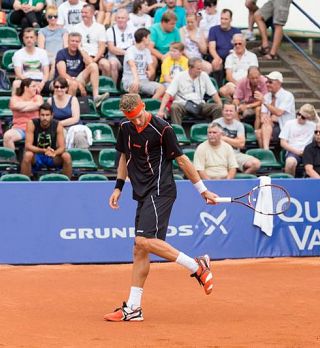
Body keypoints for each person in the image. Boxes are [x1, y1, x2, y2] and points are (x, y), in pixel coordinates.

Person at [103, 93, 217, 322]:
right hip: (142, 193)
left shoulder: (163, 128)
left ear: (143, 107)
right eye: (130, 118)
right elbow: (124, 157)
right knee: (140, 250)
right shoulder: (125, 128)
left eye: (138, 116)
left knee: (142, 241)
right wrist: (118, 187)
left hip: (161, 190)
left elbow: (183, 161)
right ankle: (134, 309)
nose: (136, 122)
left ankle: (196, 267)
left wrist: (203, 190)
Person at [158, 57, 222, 125]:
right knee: (174, 107)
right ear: (190, 68)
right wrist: (161, 111)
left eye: (201, 68)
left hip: (200, 104)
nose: (200, 70)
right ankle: (177, 132)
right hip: (183, 104)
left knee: (218, 108)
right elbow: (168, 94)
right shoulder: (180, 76)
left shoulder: (204, 75)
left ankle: (216, 130)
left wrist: (221, 106)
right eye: (198, 69)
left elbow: (214, 93)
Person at [55, 32, 109, 107]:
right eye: (72, 41)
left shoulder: (81, 52)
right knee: (73, 84)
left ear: (80, 43)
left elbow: (91, 63)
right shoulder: (61, 53)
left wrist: (81, 49)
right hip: (64, 80)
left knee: (93, 66)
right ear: (68, 42)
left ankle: (96, 97)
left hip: (78, 78)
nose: (74, 43)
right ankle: (70, 108)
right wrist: (78, 84)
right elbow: (62, 74)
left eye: (77, 41)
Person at [20, 103, 72, 178]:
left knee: (67, 156)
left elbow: (62, 147)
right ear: (39, 115)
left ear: (52, 115)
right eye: (42, 115)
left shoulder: (58, 125)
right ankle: (24, 185)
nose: (45, 118)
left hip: (52, 156)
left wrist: (54, 153)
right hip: (37, 155)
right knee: (28, 155)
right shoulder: (31, 123)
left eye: (47, 115)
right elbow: (28, 146)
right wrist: (44, 150)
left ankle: (67, 185)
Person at [215, 103, 261, 174]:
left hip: (235, 154)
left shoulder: (239, 125)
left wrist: (224, 138)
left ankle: (241, 179)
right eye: (226, 111)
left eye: (231, 111)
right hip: (219, 154)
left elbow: (241, 144)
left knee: (256, 163)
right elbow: (215, 141)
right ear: (222, 111)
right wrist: (235, 141)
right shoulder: (215, 123)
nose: (228, 113)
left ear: (235, 112)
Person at [254, 71, 295, 150]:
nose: (267, 84)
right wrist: (267, 118)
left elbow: (279, 112)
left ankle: (265, 152)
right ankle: (266, 152)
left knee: (262, 130)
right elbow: (263, 115)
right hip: (270, 126)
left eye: (270, 82)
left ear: (279, 83)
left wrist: (264, 102)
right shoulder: (267, 96)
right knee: (260, 131)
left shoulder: (287, 95)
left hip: (285, 127)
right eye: (267, 82)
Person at [48, 77, 92, 149]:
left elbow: (75, 118)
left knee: (79, 136)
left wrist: (60, 123)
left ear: (66, 88)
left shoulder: (73, 99)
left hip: (74, 126)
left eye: (62, 87)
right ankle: (64, 157)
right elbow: (49, 118)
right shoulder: (50, 101)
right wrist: (58, 125)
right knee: (61, 135)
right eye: (56, 87)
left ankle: (81, 157)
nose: (59, 89)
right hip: (58, 127)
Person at [122, 28, 165, 99]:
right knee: (134, 85)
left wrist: (151, 72)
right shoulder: (130, 50)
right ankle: (132, 107)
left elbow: (151, 67)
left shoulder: (147, 51)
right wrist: (136, 80)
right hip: (130, 80)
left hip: (144, 81)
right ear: (144, 39)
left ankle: (149, 105)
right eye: (149, 38)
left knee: (161, 88)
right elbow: (132, 65)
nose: (150, 40)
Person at [3, 78, 43, 149]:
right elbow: (15, 105)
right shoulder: (15, 98)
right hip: (19, 128)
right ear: (25, 87)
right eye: (33, 86)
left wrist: (21, 108)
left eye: (36, 86)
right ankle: (12, 160)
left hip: (35, 129)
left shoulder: (38, 97)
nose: (36, 88)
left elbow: (39, 105)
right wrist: (32, 104)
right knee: (7, 136)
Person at [73, 4, 110, 77]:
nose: (83, 15)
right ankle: (89, 85)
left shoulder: (100, 27)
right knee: (88, 62)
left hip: (97, 56)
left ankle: (105, 85)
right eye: (82, 12)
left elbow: (102, 47)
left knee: (106, 65)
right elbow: (77, 46)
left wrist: (95, 59)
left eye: (86, 13)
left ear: (92, 13)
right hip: (82, 56)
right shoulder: (76, 28)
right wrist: (88, 59)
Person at [219, 33, 258, 100]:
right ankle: (234, 105)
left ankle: (237, 102)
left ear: (245, 44)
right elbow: (228, 76)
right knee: (222, 91)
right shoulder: (229, 58)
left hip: (248, 84)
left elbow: (253, 74)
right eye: (235, 44)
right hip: (234, 84)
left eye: (240, 43)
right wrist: (238, 85)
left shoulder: (252, 56)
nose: (237, 46)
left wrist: (243, 85)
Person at [208, 9, 241, 87]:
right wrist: (217, 58)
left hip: (232, 57)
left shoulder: (236, 31)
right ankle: (218, 88)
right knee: (216, 63)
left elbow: (240, 47)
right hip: (218, 56)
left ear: (231, 20)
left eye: (226, 19)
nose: (223, 21)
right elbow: (211, 48)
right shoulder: (213, 30)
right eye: (222, 18)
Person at [279, 106, 316, 177]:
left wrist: (316, 117)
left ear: (308, 118)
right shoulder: (289, 123)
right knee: (290, 162)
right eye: (298, 114)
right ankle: (289, 183)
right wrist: (297, 152)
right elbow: (283, 143)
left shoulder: (312, 125)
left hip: (308, 152)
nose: (299, 117)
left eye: (303, 117)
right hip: (293, 151)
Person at [12, 27, 50, 95]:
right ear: (23, 39)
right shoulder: (18, 54)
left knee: (56, 85)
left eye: (31, 37)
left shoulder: (43, 52)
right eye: (27, 37)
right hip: (25, 81)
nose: (29, 39)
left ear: (35, 38)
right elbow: (19, 74)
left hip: (41, 81)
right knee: (16, 83)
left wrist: (42, 83)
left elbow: (46, 73)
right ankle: (14, 104)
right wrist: (32, 84)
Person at [105, 8, 136, 84]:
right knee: (113, 63)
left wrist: (129, 54)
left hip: (130, 55)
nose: (120, 20)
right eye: (118, 18)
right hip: (116, 56)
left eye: (122, 18)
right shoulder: (110, 30)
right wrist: (126, 53)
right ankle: (114, 87)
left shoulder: (133, 29)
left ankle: (132, 86)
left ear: (127, 19)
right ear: (115, 19)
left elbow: (136, 45)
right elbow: (112, 48)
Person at [38, 6, 68, 80]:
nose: (53, 18)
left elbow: (66, 47)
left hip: (60, 56)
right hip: (47, 55)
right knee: (53, 61)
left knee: (56, 61)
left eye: (55, 16)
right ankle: (50, 83)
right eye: (50, 16)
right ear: (47, 18)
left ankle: (49, 82)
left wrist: (58, 56)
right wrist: (51, 56)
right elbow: (41, 49)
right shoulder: (42, 31)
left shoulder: (63, 31)